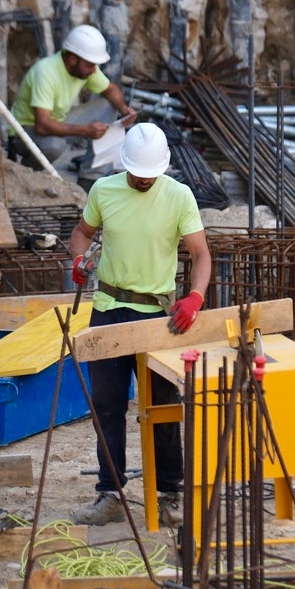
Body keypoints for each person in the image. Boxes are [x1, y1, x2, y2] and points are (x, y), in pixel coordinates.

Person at [66, 122, 212, 527]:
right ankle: (110, 494)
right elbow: (81, 233)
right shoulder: (104, 191)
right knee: (108, 406)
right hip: (109, 311)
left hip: (156, 319)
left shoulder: (179, 196)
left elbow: (201, 255)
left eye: (151, 175)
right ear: (125, 166)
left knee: (163, 408)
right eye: (138, 174)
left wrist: (195, 298)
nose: (145, 180)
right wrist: (78, 262)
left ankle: (169, 493)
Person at [7, 24, 137, 170]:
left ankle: (92, 174)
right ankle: (27, 171)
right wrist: (85, 130)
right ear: (73, 59)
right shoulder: (46, 72)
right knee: (55, 145)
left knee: (109, 105)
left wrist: (125, 110)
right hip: (24, 131)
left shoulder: (84, 69)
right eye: (90, 65)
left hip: (56, 120)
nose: (94, 69)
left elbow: (111, 90)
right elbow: (42, 125)